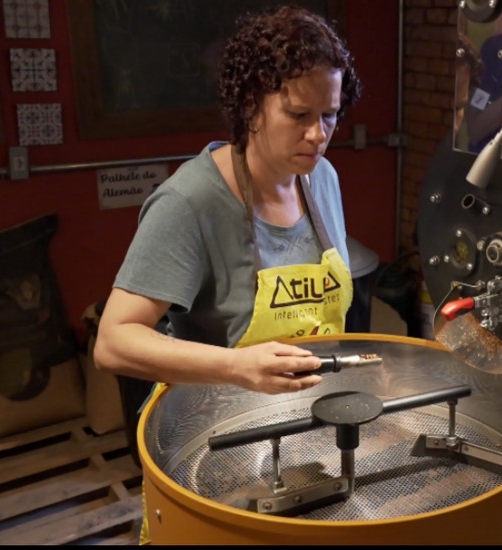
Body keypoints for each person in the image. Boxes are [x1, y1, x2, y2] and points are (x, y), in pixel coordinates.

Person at [93, 6, 362, 542]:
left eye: (330, 115)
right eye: (299, 114)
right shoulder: (189, 202)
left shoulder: (323, 179)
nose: (319, 134)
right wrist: (237, 367)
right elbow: (113, 342)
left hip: (306, 431)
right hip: (215, 445)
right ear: (249, 107)